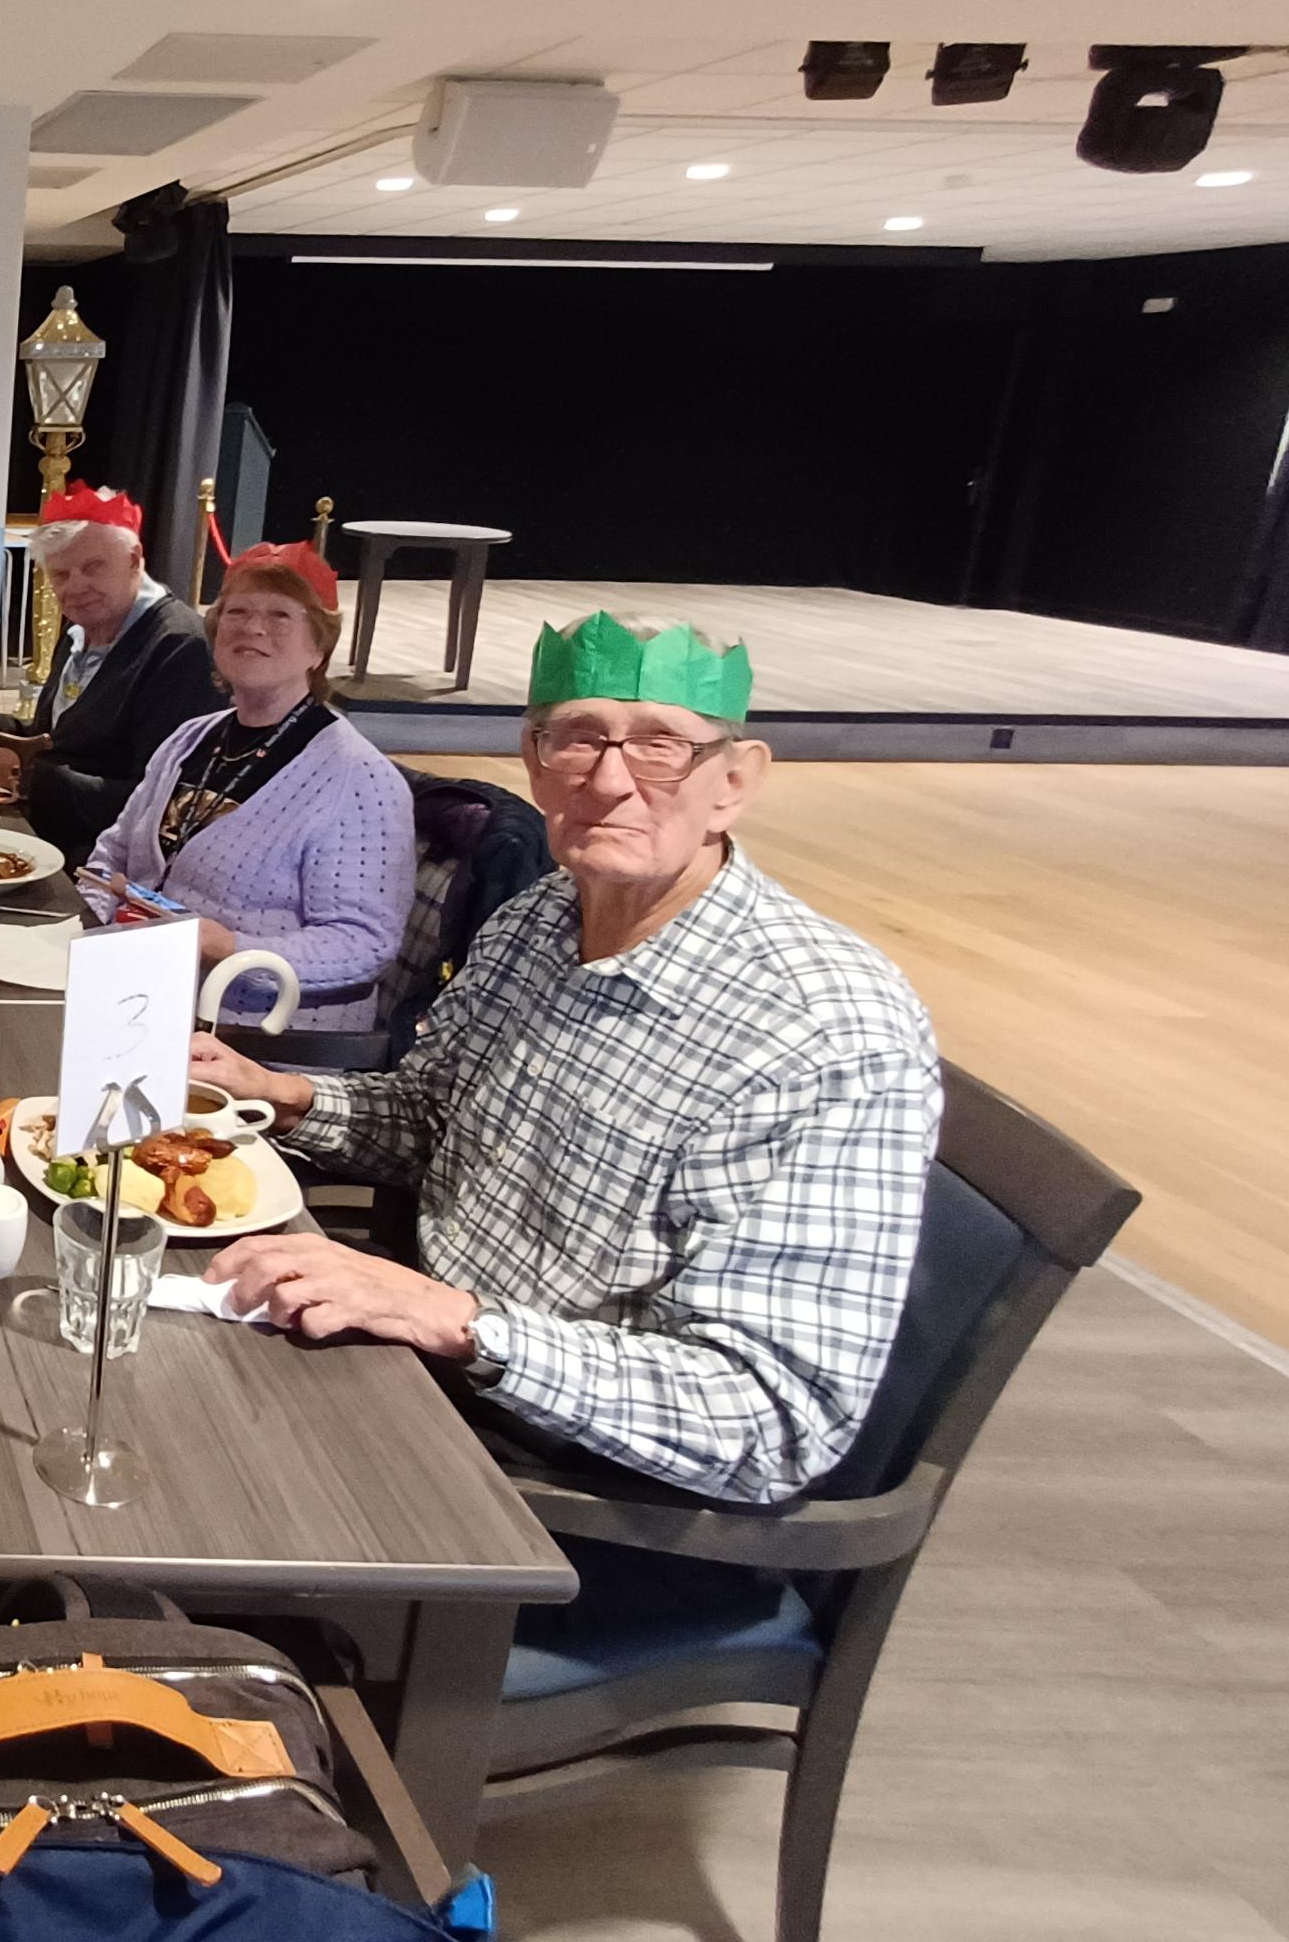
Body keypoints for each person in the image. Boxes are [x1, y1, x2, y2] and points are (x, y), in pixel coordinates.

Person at [188, 612, 941, 1506]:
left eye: (662, 747)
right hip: (419, 1370)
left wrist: (458, 1323)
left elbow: (769, 1420)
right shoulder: (541, 917)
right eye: (577, 739)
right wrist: (278, 1094)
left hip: (568, 1491)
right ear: (535, 761)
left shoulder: (826, 1034)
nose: (610, 782)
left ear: (735, 782)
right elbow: (436, 1121)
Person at [78, 540, 411, 1031]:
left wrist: (227, 948)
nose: (253, 627)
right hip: (144, 998)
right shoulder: (191, 738)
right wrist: (107, 924)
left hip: (257, 1039)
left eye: (280, 615)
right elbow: (113, 853)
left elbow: (363, 944)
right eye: (237, 611)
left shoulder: (358, 778)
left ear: (319, 647)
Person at [0, 483, 222, 848]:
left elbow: (156, 804)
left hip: (100, 864)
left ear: (134, 558)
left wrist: (23, 775)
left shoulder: (180, 647)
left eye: (93, 567)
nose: (76, 586)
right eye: (61, 575)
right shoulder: (80, 630)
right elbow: (58, 740)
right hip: (44, 833)